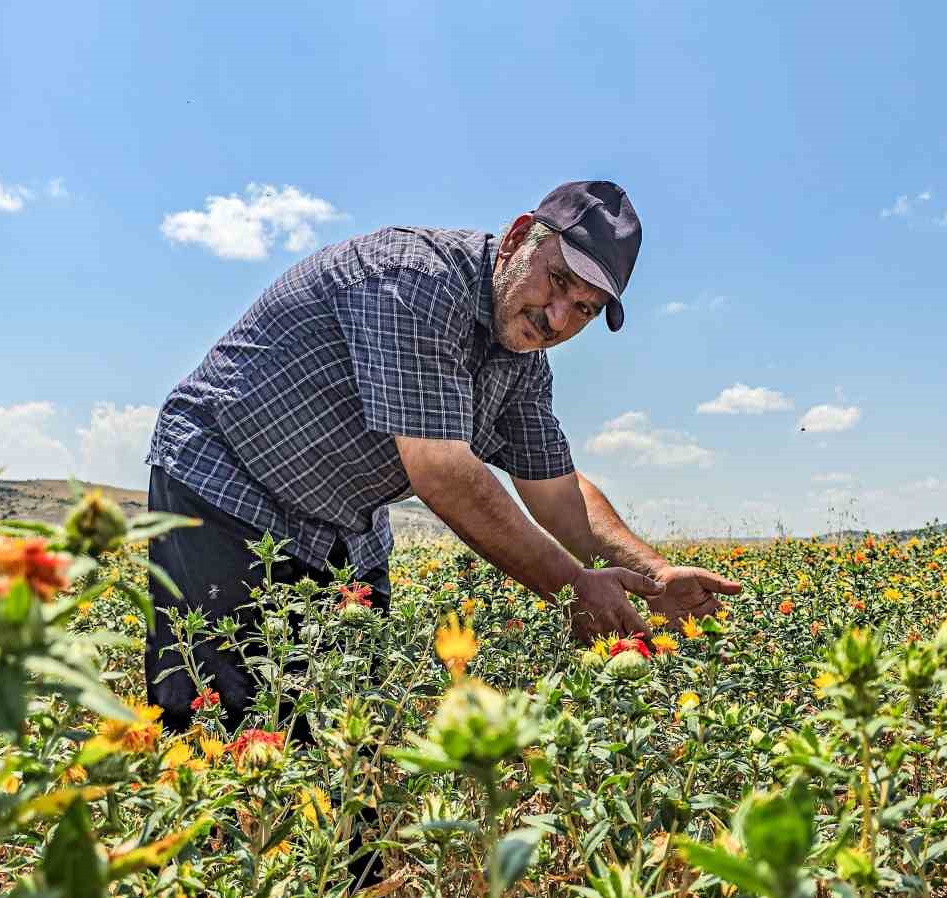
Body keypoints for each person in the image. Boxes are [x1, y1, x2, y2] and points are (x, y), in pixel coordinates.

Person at [142, 180, 742, 735]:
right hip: (226, 484)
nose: (558, 317)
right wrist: (574, 588)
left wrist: (653, 575)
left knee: (353, 734)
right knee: (220, 730)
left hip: (342, 523)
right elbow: (444, 474)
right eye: (557, 280)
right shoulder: (417, 282)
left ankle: (351, 854)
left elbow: (558, 493)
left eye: (584, 309)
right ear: (515, 240)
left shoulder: (523, 360)